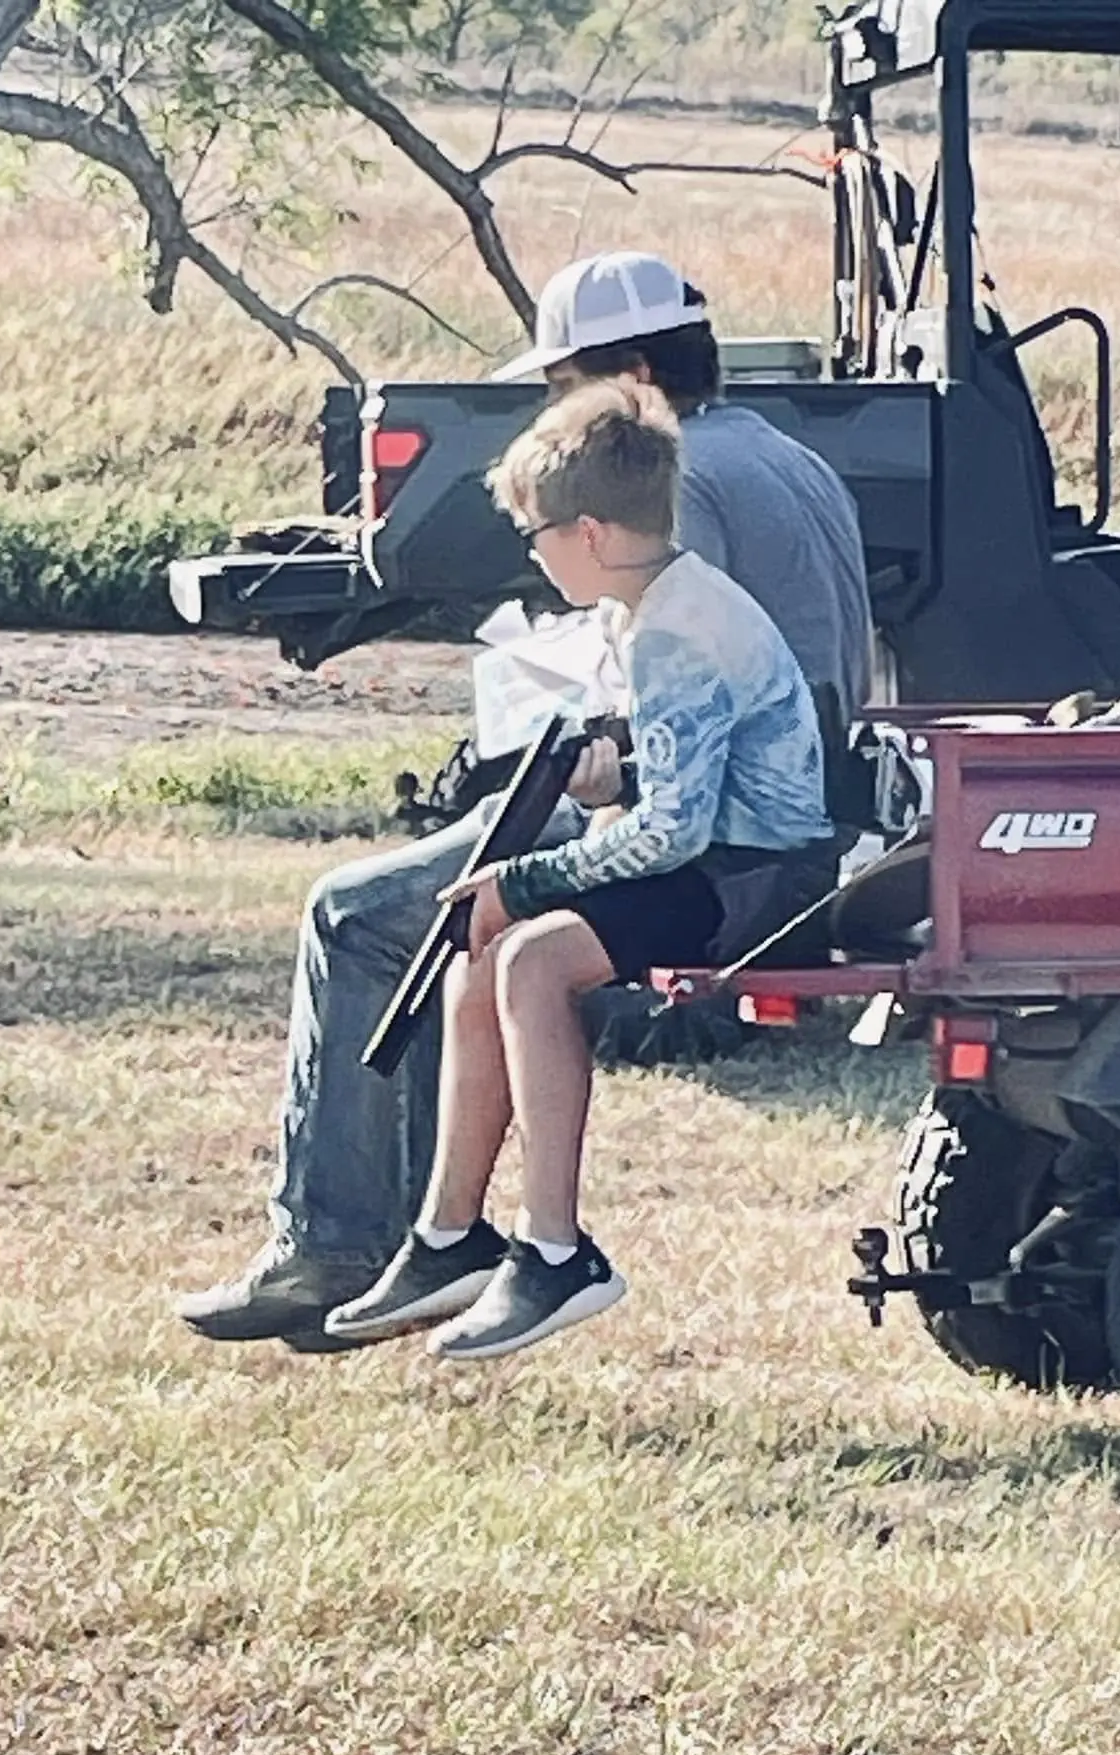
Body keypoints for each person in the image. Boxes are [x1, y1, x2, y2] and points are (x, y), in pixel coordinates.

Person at [175, 250, 871, 1351]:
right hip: (748, 795)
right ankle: (442, 1231)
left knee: (357, 914)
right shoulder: (785, 452)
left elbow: (662, 707)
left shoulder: (677, 482)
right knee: (468, 924)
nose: (555, 408)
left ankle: (340, 1247)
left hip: (708, 822)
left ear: (634, 378)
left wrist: (558, 780)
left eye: (566, 387)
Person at [324, 382, 835, 1358]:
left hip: (761, 877)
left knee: (529, 956)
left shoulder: (674, 632)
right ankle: (449, 1237)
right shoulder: (660, 600)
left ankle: (556, 1251)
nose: (533, 548)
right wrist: (617, 777)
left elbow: (677, 835)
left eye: (537, 532)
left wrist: (530, 878)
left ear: (591, 533)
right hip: (724, 851)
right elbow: (679, 785)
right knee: (486, 948)